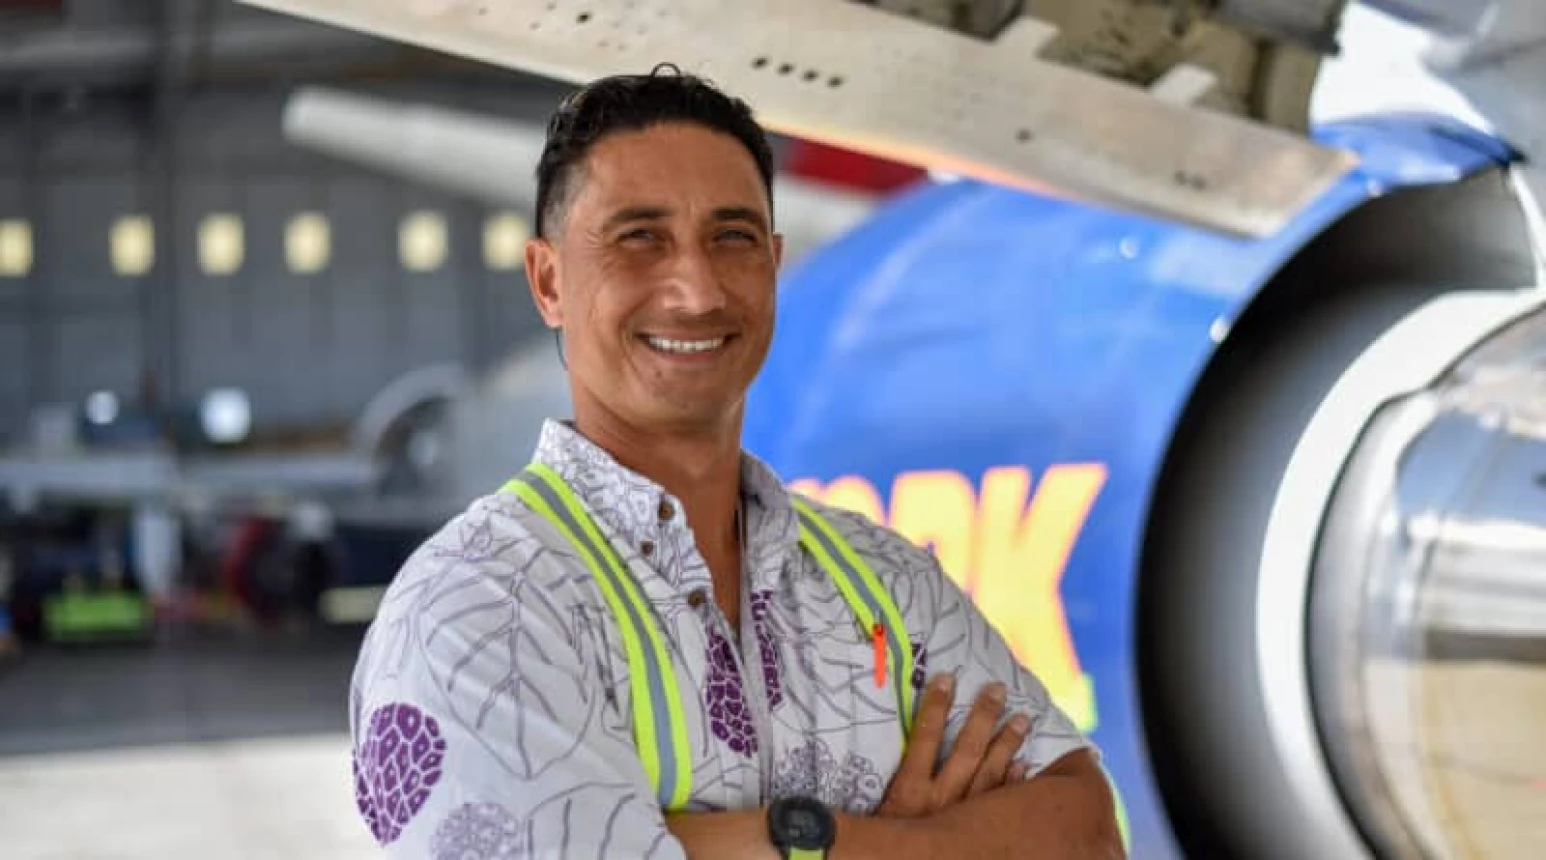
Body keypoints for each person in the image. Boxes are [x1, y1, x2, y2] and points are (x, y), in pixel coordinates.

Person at [348, 65, 1123, 859]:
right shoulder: (474, 610)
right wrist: (916, 839)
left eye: (733, 238)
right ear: (548, 280)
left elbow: (1090, 832)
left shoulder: (889, 584)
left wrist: (797, 842)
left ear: (775, 264)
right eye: (639, 237)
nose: (696, 288)